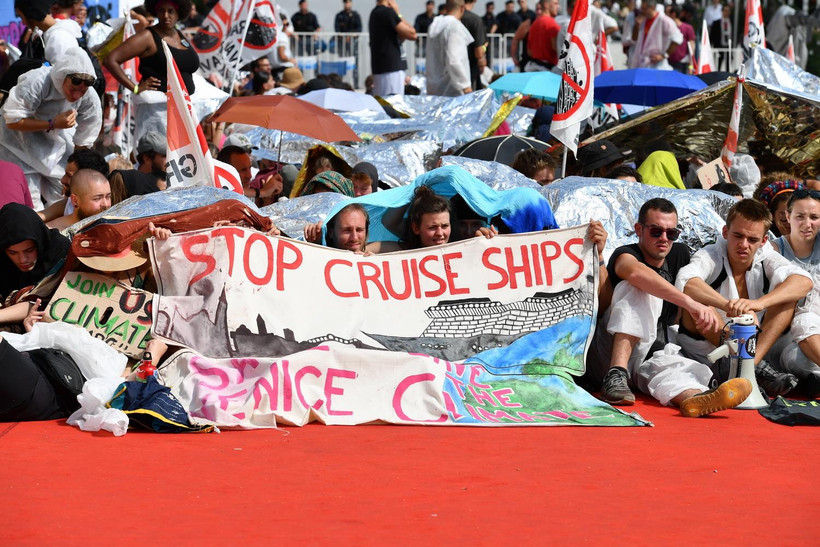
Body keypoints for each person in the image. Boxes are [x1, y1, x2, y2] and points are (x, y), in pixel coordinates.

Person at [583, 198, 754, 417]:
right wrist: (689, 303)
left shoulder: (679, 254)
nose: (664, 239)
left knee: (674, 367)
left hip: (651, 353)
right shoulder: (626, 253)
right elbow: (636, 273)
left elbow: (693, 282)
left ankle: (697, 397)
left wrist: (713, 309)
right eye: (656, 231)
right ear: (639, 230)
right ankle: (616, 375)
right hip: (607, 353)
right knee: (639, 286)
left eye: (671, 233)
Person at [676, 199, 814, 397]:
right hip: (713, 349)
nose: (743, 245)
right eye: (737, 236)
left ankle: (752, 367)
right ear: (725, 233)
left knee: (787, 298)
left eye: (752, 239)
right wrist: (728, 305)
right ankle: (752, 370)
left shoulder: (766, 256)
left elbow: (803, 282)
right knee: (697, 302)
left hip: (756, 349)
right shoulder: (711, 253)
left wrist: (757, 304)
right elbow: (686, 281)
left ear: (764, 241)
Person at [0, 47, 101, 208]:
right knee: (30, 205)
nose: (76, 95)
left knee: (67, 201)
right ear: (62, 78)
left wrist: (75, 173)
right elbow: (11, 120)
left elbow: (86, 135)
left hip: (56, 151)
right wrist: (52, 124)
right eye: (73, 89)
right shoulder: (37, 82)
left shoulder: (88, 96)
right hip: (18, 148)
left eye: (82, 91)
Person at [768, 188, 820, 394]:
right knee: (804, 324)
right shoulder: (773, 250)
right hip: (787, 340)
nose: (807, 224)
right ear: (787, 217)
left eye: (814, 217)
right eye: (800, 216)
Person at [0, 203, 70, 316]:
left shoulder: (59, 252)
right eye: (13, 253)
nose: (22, 260)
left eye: (29, 250)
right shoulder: (3, 260)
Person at [370, 0, 417, 97]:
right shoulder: (388, 12)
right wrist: (398, 13)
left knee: (384, 105)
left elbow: (401, 36)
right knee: (394, 105)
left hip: (382, 68)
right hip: (391, 69)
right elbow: (412, 34)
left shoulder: (374, 13)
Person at [426, 0, 473, 97]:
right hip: (452, 90)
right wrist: (465, 86)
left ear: (446, 9)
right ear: (462, 8)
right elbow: (454, 60)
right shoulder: (454, 27)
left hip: (434, 87)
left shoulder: (434, 25)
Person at [217, 145, 283, 206]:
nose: (249, 175)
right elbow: (228, 192)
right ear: (226, 171)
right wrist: (262, 192)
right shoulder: (216, 194)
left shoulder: (250, 195)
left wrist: (267, 199)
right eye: (243, 170)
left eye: (249, 168)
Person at [47, 169, 112, 231]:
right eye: (97, 198)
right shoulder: (54, 233)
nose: (106, 204)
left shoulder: (113, 226)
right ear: (75, 200)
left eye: (108, 197)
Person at [628, 0, 682, 70]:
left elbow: (677, 38)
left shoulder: (664, 20)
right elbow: (634, 39)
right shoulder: (642, 20)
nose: (642, 11)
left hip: (657, 65)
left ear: (652, 7)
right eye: (641, 8)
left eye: (644, 9)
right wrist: (637, 26)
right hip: (641, 63)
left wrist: (664, 55)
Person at [305, 203, 370, 253]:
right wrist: (313, 245)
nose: (354, 238)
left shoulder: (372, 263)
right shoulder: (318, 259)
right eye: (347, 230)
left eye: (359, 230)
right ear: (331, 232)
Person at [524, 0, 560, 72]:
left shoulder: (534, 24)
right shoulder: (552, 24)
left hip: (533, 69)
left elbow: (529, 51)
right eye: (555, 3)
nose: (558, 7)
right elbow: (557, 48)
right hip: (549, 71)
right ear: (546, 5)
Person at [462, 0, 487, 91]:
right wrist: (484, 47)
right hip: (469, 70)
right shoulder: (475, 20)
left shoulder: (446, 20)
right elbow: (479, 53)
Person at [668, 4, 695, 73]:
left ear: (673, 14)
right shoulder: (666, 28)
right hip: (667, 63)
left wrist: (691, 67)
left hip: (681, 64)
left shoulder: (688, 28)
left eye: (667, 13)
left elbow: (691, 49)